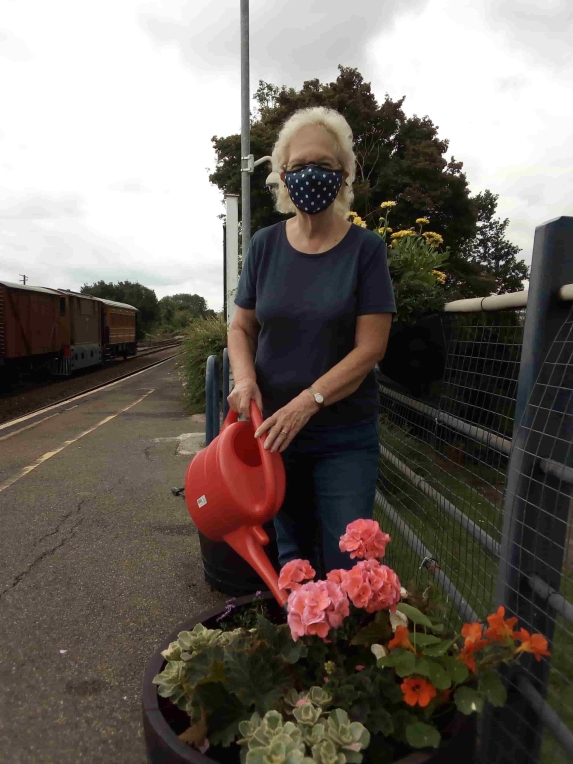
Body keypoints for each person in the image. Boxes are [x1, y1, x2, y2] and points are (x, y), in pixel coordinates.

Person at [227, 106, 396, 576]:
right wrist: (244, 379)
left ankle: (353, 649)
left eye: (323, 166)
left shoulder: (366, 250)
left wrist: (309, 401)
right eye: (299, 166)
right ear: (282, 176)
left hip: (342, 436)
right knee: (292, 562)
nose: (310, 175)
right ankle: (299, 645)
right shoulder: (263, 245)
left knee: (351, 563)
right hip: (274, 435)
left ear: (343, 176)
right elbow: (241, 327)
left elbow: (371, 348)